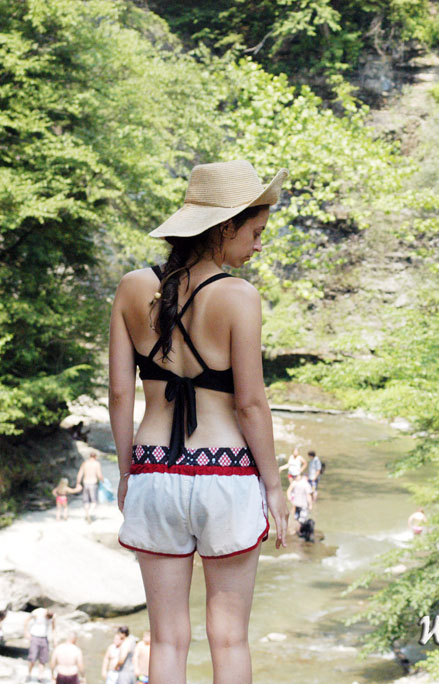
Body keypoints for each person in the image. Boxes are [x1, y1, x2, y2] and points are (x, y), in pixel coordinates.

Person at [110, 160, 289, 684]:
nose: (259, 245)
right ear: (225, 226)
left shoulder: (130, 287)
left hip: (154, 472)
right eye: (255, 232)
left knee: (167, 638)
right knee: (228, 636)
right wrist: (274, 486)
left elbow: (121, 394)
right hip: (225, 476)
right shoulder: (239, 297)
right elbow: (251, 404)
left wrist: (126, 473)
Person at [24, 607, 54, 681]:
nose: (47, 619)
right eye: (47, 617)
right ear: (45, 613)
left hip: (44, 638)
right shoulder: (37, 612)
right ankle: (29, 674)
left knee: (43, 658)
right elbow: (26, 620)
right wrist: (26, 632)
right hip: (35, 637)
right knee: (32, 657)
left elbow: (54, 628)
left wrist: (54, 639)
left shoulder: (53, 617)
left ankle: (40, 676)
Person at [75, 450, 104, 523]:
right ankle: (90, 513)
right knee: (94, 501)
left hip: (85, 483)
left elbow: (80, 474)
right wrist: (103, 481)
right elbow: (99, 475)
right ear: (95, 457)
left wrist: (78, 483)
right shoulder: (96, 464)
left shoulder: (85, 463)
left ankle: (86, 513)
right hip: (93, 483)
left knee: (86, 501)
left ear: (89, 456)